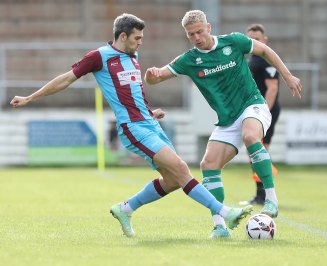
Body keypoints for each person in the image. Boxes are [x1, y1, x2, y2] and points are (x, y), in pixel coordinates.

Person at [9, 13, 253, 238]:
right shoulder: (99, 57)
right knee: (181, 168)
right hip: (132, 128)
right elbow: (65, 79)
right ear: (123, 36)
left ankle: (125, 209)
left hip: (149, 123)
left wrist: (150, 112)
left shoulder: (133, 56)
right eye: (137, 37)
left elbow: (133, 92)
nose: (141, 42)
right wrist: (31, 98)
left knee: (172, 180)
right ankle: (224, 213)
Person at [145, 10, 302, 238]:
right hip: (227, 120)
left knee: (250, 137)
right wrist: (151, 75)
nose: (197, 37)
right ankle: (220, 226)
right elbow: (156, 77)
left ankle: (271, 200)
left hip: (253, 105)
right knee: (208, 164)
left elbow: (265, 50)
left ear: (208, 27)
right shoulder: (189, 59)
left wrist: (287, 76)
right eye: (191, 35)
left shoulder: (233, 42)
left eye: (199, 31)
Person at [239, 24, 281, 206]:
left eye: (257, 39)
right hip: (256, 112)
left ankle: (263, 195)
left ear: (265, 40)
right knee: (256, 153)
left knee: (258, 152)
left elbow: (272, 89)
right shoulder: (251, 60)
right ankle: (261, 194)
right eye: (250, 39)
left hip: (265, 112)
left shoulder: (266, 60)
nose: (253, 42)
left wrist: (263, 113)